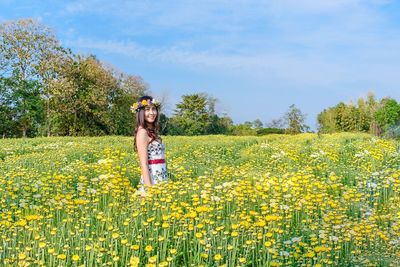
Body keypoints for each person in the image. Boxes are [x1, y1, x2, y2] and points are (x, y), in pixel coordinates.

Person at [131, 96, 168, 194]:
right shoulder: (142, 132)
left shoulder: (152, 131)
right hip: (152, 180)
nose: (151, 113)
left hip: (161, 176)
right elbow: (144, 164)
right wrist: (149, 189)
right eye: (147, 110)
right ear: (141, 113)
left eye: (154, 109)